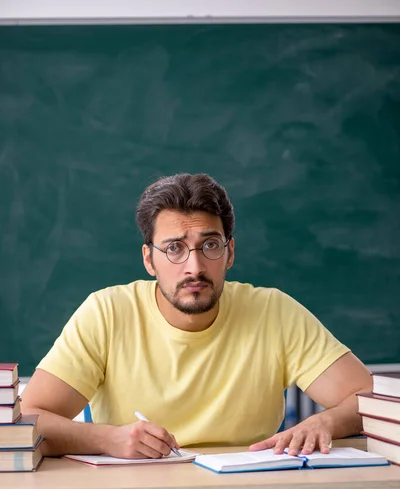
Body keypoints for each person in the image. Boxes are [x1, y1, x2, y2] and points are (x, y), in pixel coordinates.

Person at [22, 173, 372, 459]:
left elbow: (373, 400)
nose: (195, 266)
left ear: (229, 252)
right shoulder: (107, 312)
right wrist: (107, 439)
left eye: (210, 245)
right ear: (149, 259)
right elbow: (30, 419)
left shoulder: (274, 311)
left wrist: (325, 422)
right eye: (174, 248)